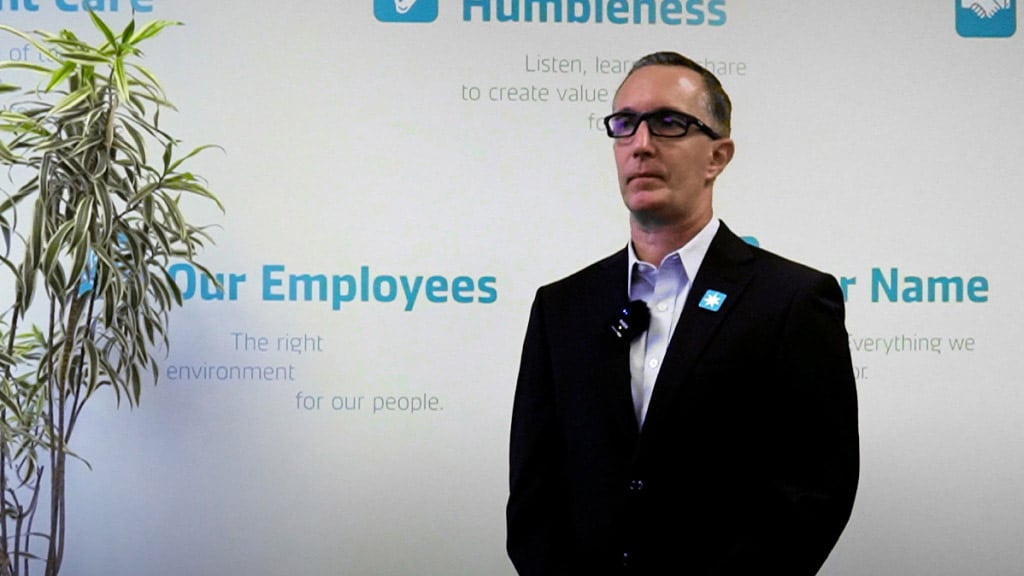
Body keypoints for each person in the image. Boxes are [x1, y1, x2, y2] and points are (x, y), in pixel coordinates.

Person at [506, 51, 859, 575]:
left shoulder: (792, 300)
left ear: (717, 156)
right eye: (625, 125)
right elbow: (534, 493)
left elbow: (814, 491)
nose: (641, 145)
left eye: (668, 123)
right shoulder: (563, 307)